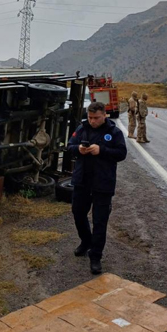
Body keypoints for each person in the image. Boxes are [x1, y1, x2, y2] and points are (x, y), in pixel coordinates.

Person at [67, 102, 127, 275]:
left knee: (100, 221)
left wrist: (102, 150)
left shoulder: (114, 133)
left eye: (96, 118)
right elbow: (69, 147)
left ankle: (96, 257)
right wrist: (78, 149)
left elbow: (121, 154)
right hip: (82, 181)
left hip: (103, 183)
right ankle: (86, 241)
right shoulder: (82, 128)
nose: (92, 121)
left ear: (104, 115)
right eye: (90, 117)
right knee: (78, 213)